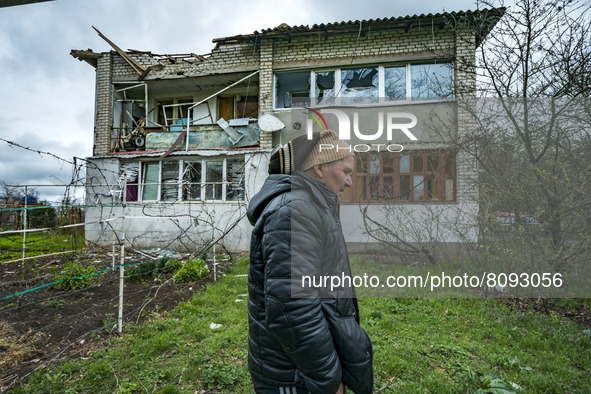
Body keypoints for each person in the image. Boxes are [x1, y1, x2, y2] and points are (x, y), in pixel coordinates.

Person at [247, 131, 374, 394]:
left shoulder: (311, 206)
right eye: (346, 171)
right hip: (295, 374)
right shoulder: (296, 209)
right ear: (320, 168)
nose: (350, 182)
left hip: (302, 366)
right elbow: (292, 310)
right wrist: (328, 380)